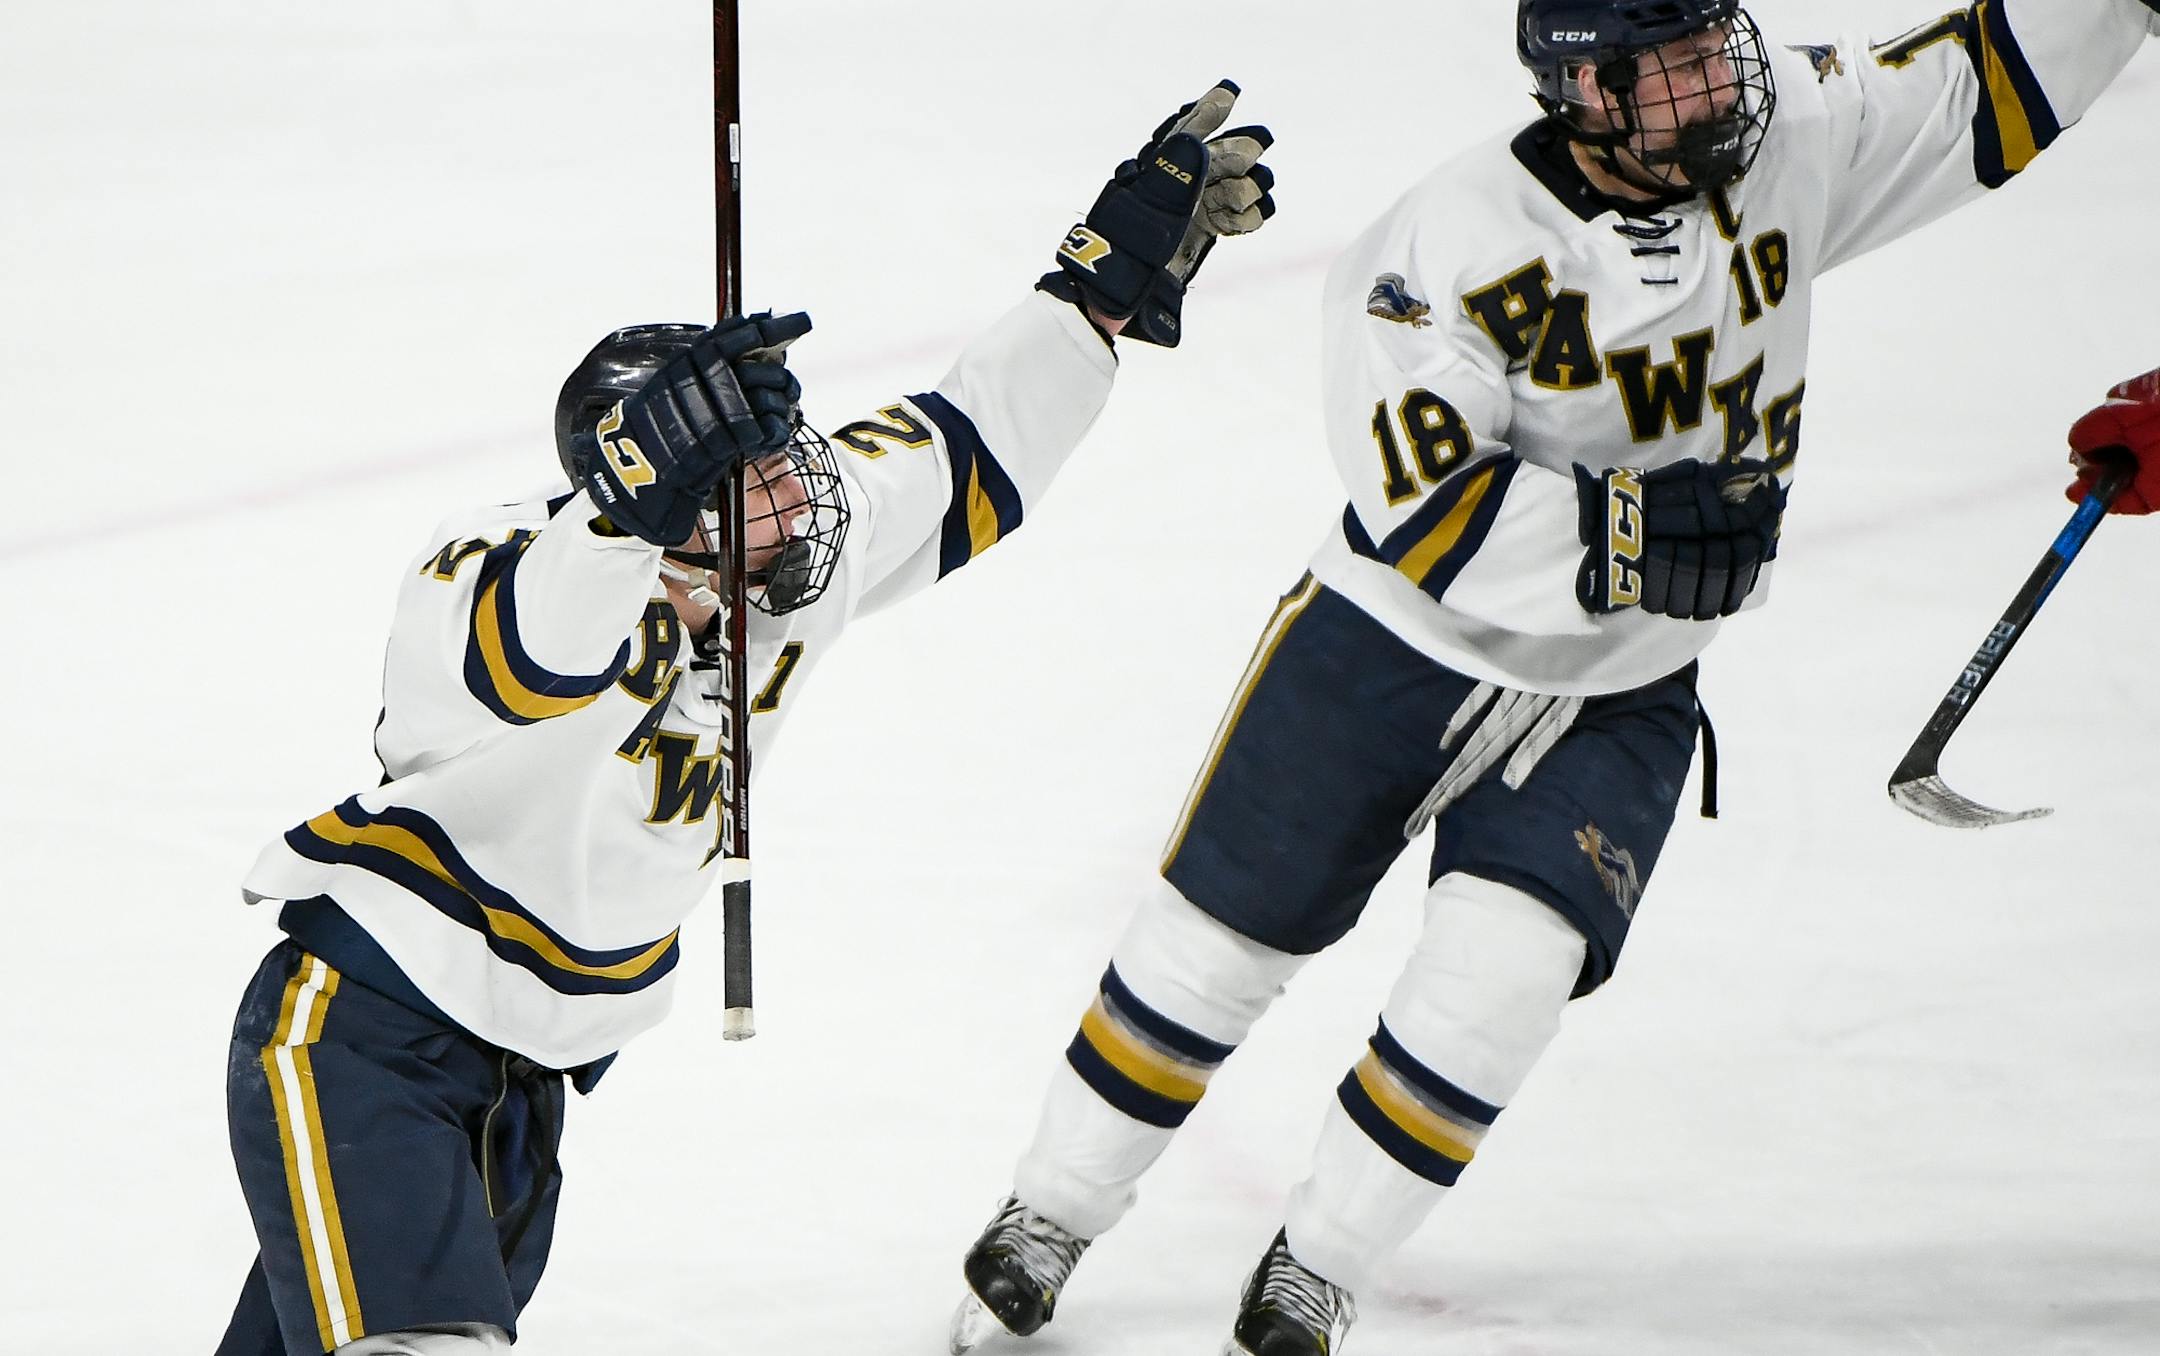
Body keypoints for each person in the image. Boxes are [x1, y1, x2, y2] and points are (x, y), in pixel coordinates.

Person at [946, 5, 2160, 1355]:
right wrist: (1628, 541)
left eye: (1720, 42)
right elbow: (1434, 516)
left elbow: (1988, 84)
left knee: (1507, 977)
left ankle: (1321, 1261)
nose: (1722, 84)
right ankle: (1050, 1211)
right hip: (1390, 651)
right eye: (1676, 65)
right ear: (1583, 86)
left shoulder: (1783, 143)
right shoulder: (1440, 245)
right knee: (1215, 947)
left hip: (1624, 693)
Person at [214, 82, 1276, 1356]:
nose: (805, 489)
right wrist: (621, 515)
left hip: (523, 1093)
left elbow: (965, 447)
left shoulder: (780, 557)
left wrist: (1092, 302)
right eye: (756, 470)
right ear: (660, 501)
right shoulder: (488, 570)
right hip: (365, 1039)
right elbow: (530, 650)